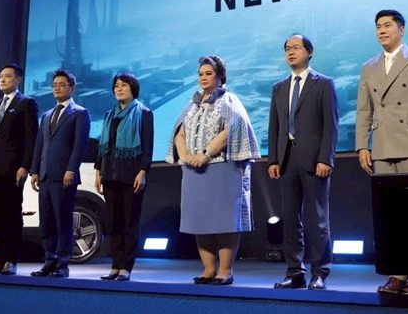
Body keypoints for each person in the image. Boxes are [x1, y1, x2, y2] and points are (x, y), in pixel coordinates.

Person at [355, 9, 408, 295]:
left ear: (401, 29)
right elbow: (363, 110)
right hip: (382, 147)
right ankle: (399, 276)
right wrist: (362, 145)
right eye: (378, 26)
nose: (381, 30)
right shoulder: (369, 67)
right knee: (390, 216)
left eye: (387, 25)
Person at [166, 55, 260, 286]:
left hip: (222, 168)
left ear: (220, 77)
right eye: (201, 74)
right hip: (194, 170)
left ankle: (225, 271)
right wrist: (186, 156)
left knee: (224, 221)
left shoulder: (229, 101)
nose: (204, 78)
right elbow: (180, 132)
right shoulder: (192, 105)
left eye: (209, 73)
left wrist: (205, 154)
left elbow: (230, 131)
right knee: (200, 221)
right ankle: (208, 270)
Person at [267, 34, 339, 291]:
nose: (290, 52)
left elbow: (331, 125)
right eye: (287, 48)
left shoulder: (324, 84)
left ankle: (319, 273)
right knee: (289, 219)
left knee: (318, 219)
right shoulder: (279, 87)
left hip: (314, 160)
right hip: (287, 161)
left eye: (296, 47)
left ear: (309, 52)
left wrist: (325, 158)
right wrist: (273, 159)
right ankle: (294, 272)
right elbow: (274, 127)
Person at [0, 63, 39, 275]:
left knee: (12, 214)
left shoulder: (26, 103)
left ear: (18, 79)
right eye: (0, 76)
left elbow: (31, 138)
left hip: (14, 169)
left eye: (8, 76)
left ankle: (11, 260)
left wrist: (25, 165)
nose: (2, 80)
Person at [30, 69, 91, 278]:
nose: (57, 87)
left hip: (64, 176)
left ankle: (63, 264)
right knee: (46, 221)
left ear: (72, 88)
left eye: (62, 84)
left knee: (63, 221)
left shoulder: (80, 113)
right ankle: (49, 261)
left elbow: (79, 146)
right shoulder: (47, 115)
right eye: (54, 84)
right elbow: (39, 145)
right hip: (45, 176)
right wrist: (35, 171)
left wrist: (71, 169)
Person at [94, 72, 154, 282]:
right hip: (109, 174)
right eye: (116, 86)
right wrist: (98, 170)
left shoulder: (143, 113)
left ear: (133, 89)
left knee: (130, 222)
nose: (119, 89)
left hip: (131, 175)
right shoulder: (109, 115)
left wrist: (143, 171)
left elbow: (147, 146)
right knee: (113, 223)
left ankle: (126, 266)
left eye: (124, 85)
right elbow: (103, 146)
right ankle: (115, 265)